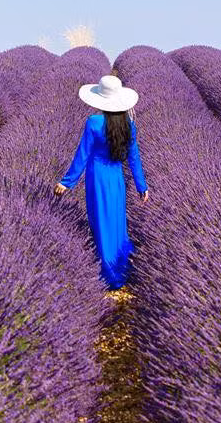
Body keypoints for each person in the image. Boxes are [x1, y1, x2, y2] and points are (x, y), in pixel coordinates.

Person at [53, 73, 149, 291]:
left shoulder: (94, 123)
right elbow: (134, 158)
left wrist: (66, 182)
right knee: (117, 221)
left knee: (101, 223)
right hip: (116, 179)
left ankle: (108, 275)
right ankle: (122, 270)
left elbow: (82, 155)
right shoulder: (128, 125)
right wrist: (141, 186)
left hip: (97, 178)